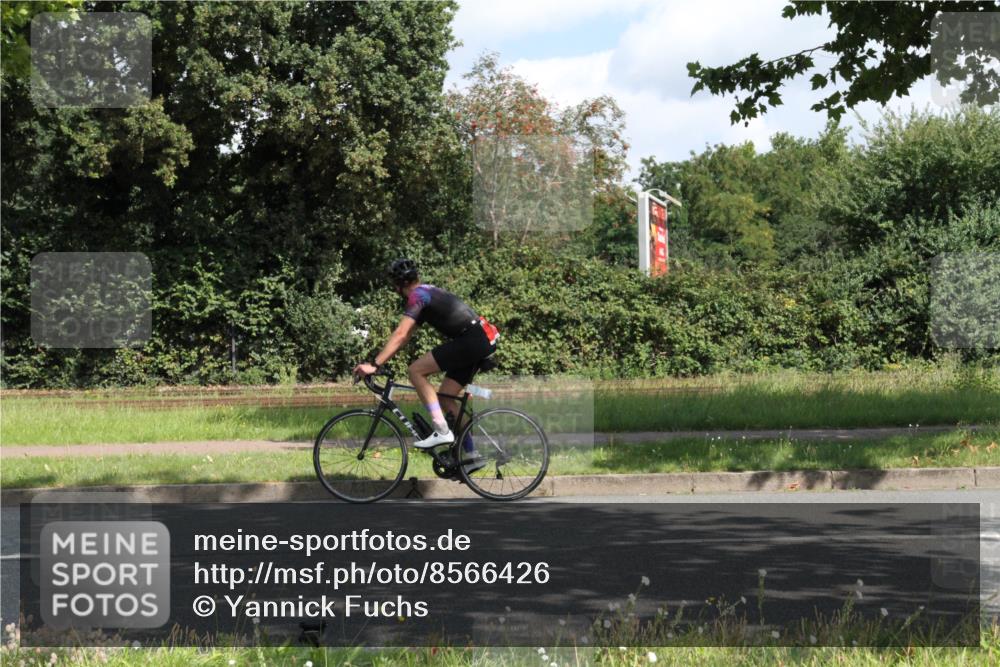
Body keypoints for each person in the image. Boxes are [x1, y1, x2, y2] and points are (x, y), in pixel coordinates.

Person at [352, 258, 499, 469]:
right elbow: (405, 336)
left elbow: (401, 334)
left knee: (416, 371)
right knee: (446, 399)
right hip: (480, 338)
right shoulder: (426, 292)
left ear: (397, 285)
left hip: (472, 339)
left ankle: (441, 430)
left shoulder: (417, 296)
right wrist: (382, 360)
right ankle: (473, 455)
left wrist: (374, 365)